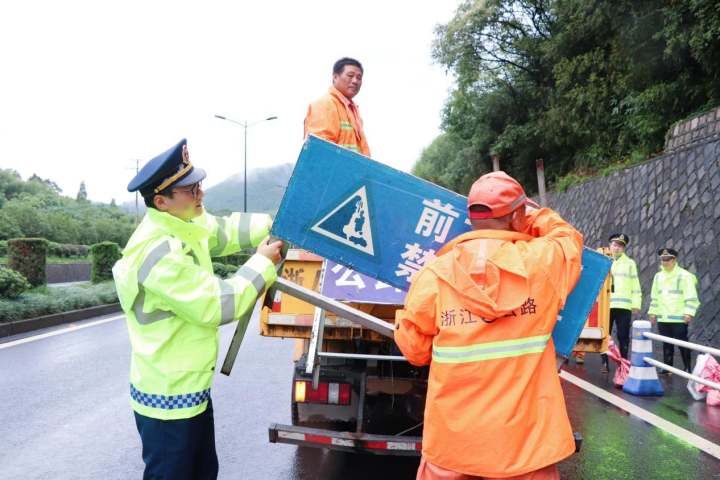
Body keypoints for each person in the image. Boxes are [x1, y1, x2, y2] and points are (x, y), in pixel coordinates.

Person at [395, 171, 583, 480]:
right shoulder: (541, 264)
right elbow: (567, 238)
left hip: (453, 449)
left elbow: (415, 351)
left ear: (471, 218)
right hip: (526, 450)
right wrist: (535, 217)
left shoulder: (435, 275)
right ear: (517, 215)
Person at [112, 139, 283, 479]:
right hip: (167, 398)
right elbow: (218, 304)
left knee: (203, 472)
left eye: (199, 185)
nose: (201, 194)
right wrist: (262, 264)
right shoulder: (157, 252)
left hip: (190, 390)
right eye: (191, 190)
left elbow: (224, 231)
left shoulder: (184, 224)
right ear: (161, 201)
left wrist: (279, 222)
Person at [304, 57, 371, 156]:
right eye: (350, 75)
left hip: (351, 169)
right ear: (335, 77)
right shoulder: (324, 104)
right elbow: (319, 150)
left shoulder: (353, 110)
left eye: (359, 78)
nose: (355, 81)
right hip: (333, 170)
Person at [648, 248, 700, 373]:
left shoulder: (684, 275)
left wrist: (689, 313)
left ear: (674, 259)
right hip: (663, 316)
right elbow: (655, 297)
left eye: (668, 259)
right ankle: (668, 367)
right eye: (663, 259)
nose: (665, 262)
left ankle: (687, 367)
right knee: (666, 343)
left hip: (679, 317)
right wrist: (653, 312)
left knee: (682, 343)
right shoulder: (658, 276)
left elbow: (691, 296)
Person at [600, 233, 641, 373]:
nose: (617, 248)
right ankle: (604, 363)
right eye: (615, 245)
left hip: (624, 306)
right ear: (610, 245)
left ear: (624, 248)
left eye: (620, 246)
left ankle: (623, 363)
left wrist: (636, 304)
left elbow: (635, 285)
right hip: (606, 305)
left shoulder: (630, 263)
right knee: (605, 335)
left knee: (623, 336)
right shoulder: (603, 260)